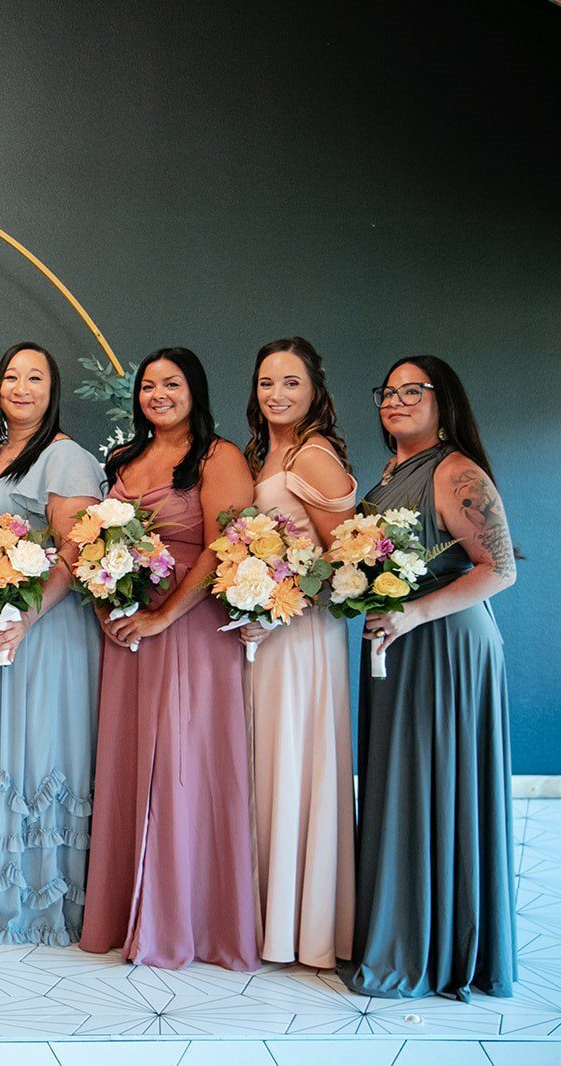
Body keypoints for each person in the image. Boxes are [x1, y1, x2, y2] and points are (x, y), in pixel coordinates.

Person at [341, 356, 517, 1001]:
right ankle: (401, 930)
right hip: (398, 640)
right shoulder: (390, 471)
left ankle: (436, 949)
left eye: (413, 391)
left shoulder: (456, 471)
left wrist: (411, 613)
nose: (396, 400)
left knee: (432, 786)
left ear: (445, 401)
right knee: (401, 783)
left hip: (445, 643)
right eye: (388, 391)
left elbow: (498, 570)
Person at [79, 347, 259, 972]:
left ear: (195, 390)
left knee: (185, 763)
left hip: (189, 627)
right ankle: (129, 913)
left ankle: (188, 919)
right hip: (129, 626)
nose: (158, 394)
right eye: (149, 384)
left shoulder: (219, 456)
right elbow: (100, 540)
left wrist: (162, 616)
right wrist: (111, 605)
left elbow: (224, 548)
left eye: (172, 383)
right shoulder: (125, 459)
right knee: (132, 761)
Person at [0, 343, 103, 945]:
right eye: (10, 375)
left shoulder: (65, 458)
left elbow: (74, 549)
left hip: (43, 628)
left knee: (36, 751)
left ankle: (33, 898)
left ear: (53, 388)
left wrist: (28, 615)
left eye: (35, 377)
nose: (21, 387)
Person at [238, 338, 357, 969]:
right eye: (266, 383)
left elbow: (348, 559)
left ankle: (302, 926)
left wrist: (279, 600)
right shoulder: (267, 450)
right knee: (267, 763)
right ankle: (264, 916)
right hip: (267, 630)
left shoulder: (315, 455)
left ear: (315, 389)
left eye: (290, 382)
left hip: (302, 636)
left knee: (295, 762)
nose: (277, 394)